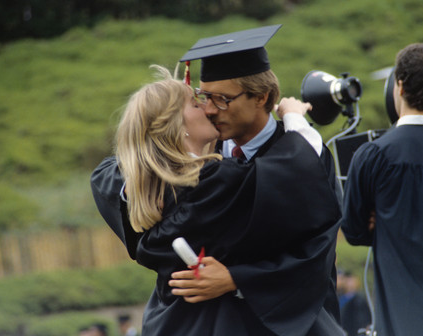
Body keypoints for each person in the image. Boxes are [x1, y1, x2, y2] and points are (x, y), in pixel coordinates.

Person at [91, 25, 343, 336]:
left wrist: (238, 279)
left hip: (279, 322)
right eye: (203, 97)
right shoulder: (202, 157)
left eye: (222, 99)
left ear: (260, 97)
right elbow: (121, 184)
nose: (210, 109)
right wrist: (145, 179)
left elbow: (317, 247)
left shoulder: (306, 161)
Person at [341, 42, 423, 336]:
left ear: (399, 85)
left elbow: (354, 231)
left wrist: (383, 222)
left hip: (400, 314)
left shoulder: (372, 156)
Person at [336, 270, 371, 336]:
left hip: (357, 330)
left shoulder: (360, 299)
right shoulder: (339, 297)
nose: (350, 284)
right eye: (348, 281)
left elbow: (366, 316)